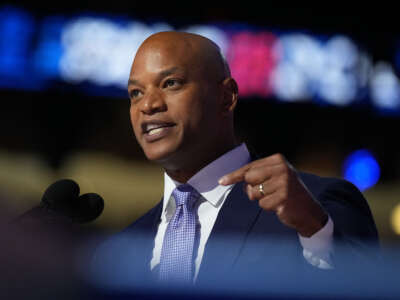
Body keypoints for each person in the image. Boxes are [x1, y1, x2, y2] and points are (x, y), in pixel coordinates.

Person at [92, 31, 379, 291]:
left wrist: (315, 230)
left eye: (171, 83)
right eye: (135, 93)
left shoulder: (312, 207)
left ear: (226, 97)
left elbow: (367, 290)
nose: (149, 105)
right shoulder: (120, 250)